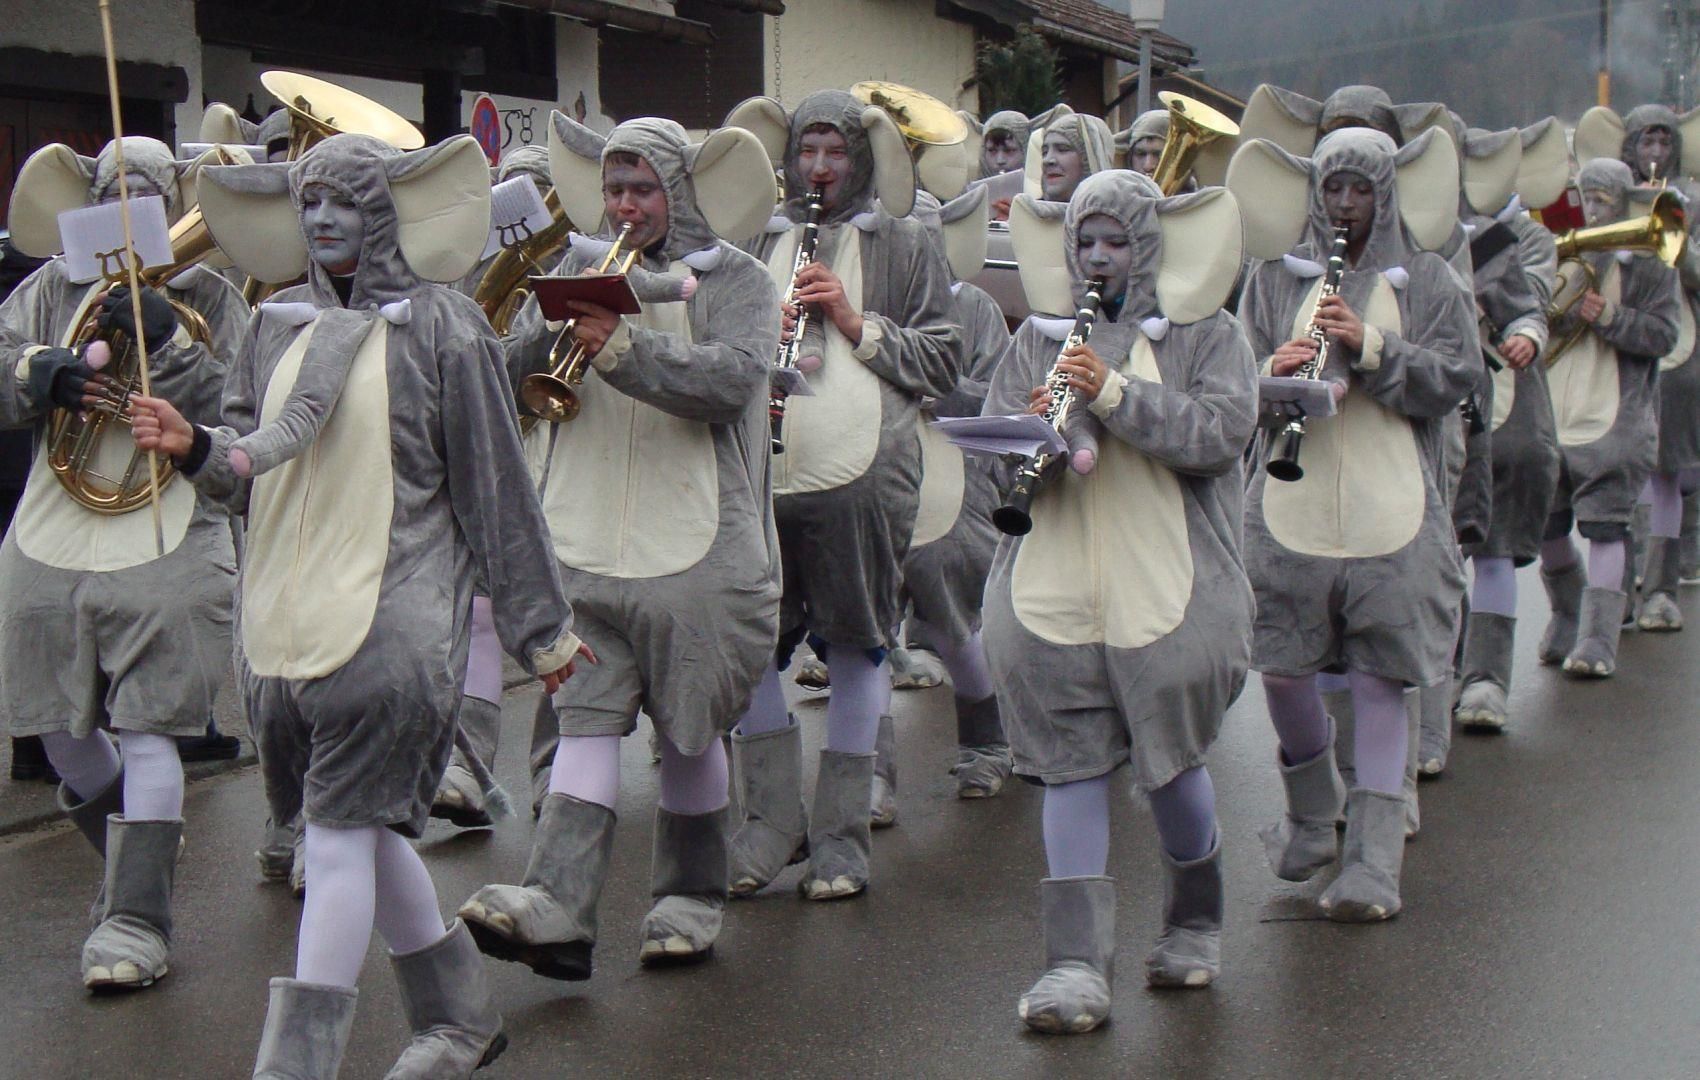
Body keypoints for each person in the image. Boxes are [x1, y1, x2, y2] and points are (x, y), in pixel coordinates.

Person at [128, 132, 585, 1078]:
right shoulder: (273, 325)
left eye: (345, 199)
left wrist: (542, 631)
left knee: (335, 843)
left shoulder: (444, 326)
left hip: (394, 629)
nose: (325, 217)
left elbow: (499, 491)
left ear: (382, 211)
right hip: (287, 632)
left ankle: (295, 1069)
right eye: (311, 200)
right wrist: (194, 446)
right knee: (363, 835)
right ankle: (461, 1019)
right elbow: (249, 478)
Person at [458, 113, 781, 978]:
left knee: (689, 733)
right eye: (613, 190)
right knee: (583, 723)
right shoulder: (574, 264)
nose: (626, 207)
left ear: (676, 191)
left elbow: (738, 381)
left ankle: (689, 894)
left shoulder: (737, 278)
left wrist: (626, 350)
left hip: (699, 545)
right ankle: (559, 906)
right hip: (587, 542)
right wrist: (543, 333)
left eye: (642, 190)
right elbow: (512, 382)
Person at [983, 169, 1255, 1033]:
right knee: (1068, 765)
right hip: (1055, 582)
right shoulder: (1038, 338)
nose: (1099, 260)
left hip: (1165, 582)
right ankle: (1073, 964)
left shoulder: (1208, 335)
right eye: (1086, 244)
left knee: (1170, 765)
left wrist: (1112, 392)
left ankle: (1195, 918)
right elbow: (992, 450)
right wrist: (1035, 435)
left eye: (1117, 243)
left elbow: (1220, 433)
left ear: (1150, 246)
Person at [0, 136, 248, 991]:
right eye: (110, 188)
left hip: (165, 523)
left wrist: (170, 345)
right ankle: (136, 865)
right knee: (55, 729)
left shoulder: (212, 291)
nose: (125, 198)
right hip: (55, 522)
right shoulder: (44, 290)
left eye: (143, 188)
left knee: (148, 728)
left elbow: (238, 406)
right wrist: (43, 372)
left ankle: (136, 921)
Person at [1233, 126, 1477, 921]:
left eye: (1360, 190)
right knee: (1280, 666)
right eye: (1332, 188)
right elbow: (1231, 375)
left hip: (1391, 506)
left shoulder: (1430, 277)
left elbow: (1455, 376)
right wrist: (1269, 374)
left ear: (1388, 193)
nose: (1344, 206)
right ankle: (1312, 814)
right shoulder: (1274, 279)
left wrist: (1369, 345)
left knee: (1379, 678)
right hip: (1290, 505)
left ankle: (1374, 863)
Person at [731, 89, 960, 902]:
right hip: (763, 473)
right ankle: (767, 822)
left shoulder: (904, 242)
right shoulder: (761, 235)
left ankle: (842, 838)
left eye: (834, 153)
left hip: (862, 479)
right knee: (748, 642)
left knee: (860, 640)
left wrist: (856, 322)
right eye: (807, 153)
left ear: (860, 159)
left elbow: (943, 359)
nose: (819, 169)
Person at [432, 140, 561, 831]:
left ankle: (556, 769)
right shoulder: (468, 270)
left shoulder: (579, 264)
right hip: (497, 450)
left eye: (533, 194)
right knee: (480, 612)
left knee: (566, 620)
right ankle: (468, 767)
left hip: (561, 455)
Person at [876, 186, 1012, 823]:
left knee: (953, 616)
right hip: (874, 470)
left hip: (950, 472)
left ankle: (987, 739)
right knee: (864, 627)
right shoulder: (865, 297)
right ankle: (871, 775)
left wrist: (936, 386)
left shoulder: (974, 305)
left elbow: (995, 390)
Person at [1535, 158, 1679, 677]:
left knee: (1605, 526)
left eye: (1603, 200)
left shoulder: (1648, 264)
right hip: (1553, 415)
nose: (1594, 209)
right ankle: (1568, 613)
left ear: (1622, 204)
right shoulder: (1557, 250)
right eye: (1587, 198)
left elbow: (1664, 334)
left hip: (1613, 418)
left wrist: (1611, 316)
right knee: (1546, 526)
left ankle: (1599, 639)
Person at [1448, 119, 1564, 753]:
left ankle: (1487, 679)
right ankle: (1445, 672)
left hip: (1508, 407)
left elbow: (1536, 297)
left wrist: (1522, 322)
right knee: (1442, 554)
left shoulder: (1521, 237)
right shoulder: (1424, 230)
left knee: (1493, 547)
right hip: (1444, 405)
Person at [1615, 105, 1700, 633]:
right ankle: (1618, 590)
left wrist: (1676, 239)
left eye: (1664, 143)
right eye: (1646, 142)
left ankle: (1662, 586)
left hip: (1678, 353)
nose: (1655, 153)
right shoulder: (1610, 196)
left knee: (1667, 471)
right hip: (1619, 349)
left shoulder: (1693, 198)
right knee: (1622, 476)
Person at [1033, 106, 1114, 205]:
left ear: (1089, 159)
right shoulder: (1022, 216)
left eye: (1062, 149)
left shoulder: (1119, 217)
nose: (1047, 160)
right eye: (1044, 152)